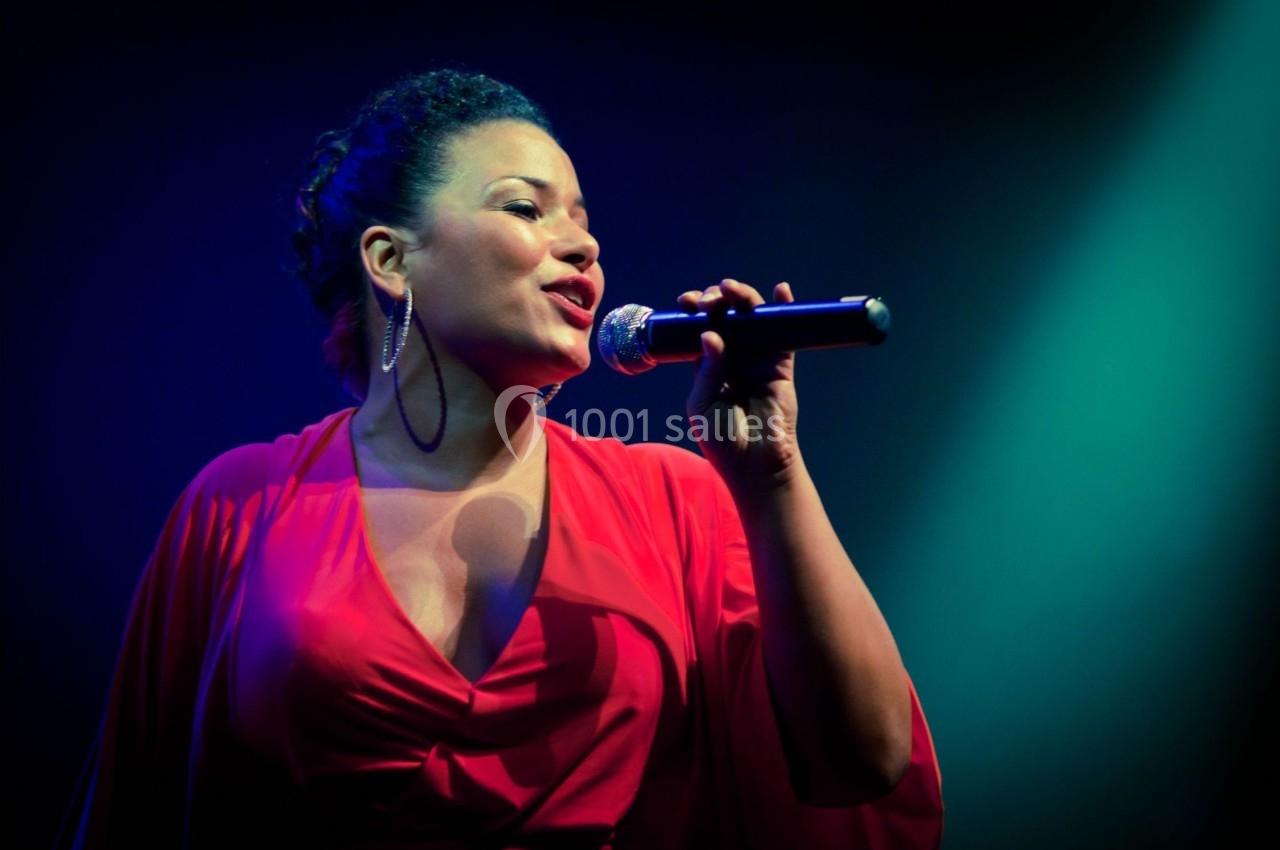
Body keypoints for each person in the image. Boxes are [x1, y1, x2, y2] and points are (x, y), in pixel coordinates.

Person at [55, 69, 944, 849]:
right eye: (526, 207)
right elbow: (135, 807)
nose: (585, 245)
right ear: (390, 259)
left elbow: (861, 761)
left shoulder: (676, 495)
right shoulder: (240, 504)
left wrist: (773, 472)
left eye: (584, 221)